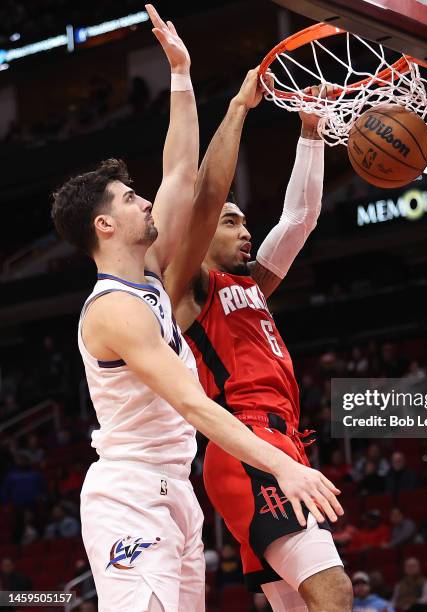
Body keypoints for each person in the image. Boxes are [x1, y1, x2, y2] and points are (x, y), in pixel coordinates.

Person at [50, 7, 340, 611]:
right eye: (132, 199)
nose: (147, 201)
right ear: (106, 225)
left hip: (178, 491)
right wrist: (283, 468)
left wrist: (182, 73)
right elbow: (189, 400)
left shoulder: (152, 282)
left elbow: (186, 172)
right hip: (131, 491)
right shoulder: (114, 310)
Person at [164, 79, 351, 610]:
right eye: (231, 223)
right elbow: (202, 200)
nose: (245, 230)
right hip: (248, 445)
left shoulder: (252, 286)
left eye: (244, 220)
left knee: (299, 603)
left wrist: (311, 133)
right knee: (333, 591)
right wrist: (238, 109)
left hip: (279, 444)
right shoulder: (189, 286)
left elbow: (299, 219)